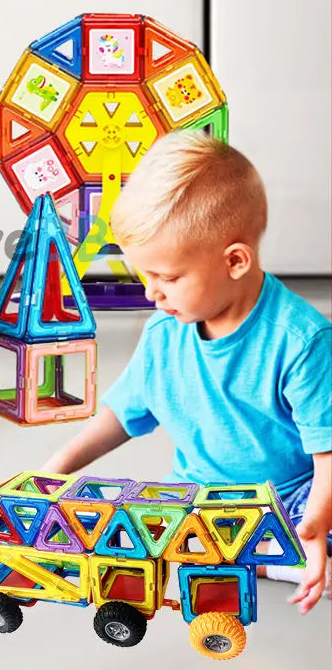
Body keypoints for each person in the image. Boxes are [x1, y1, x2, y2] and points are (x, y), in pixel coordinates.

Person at [43, 130, 331, 613]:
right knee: (132, 530)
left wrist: (316, 524)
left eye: (169, 277)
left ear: (235, 261)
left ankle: (269, 554)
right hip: (198, 500)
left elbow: (327, 454)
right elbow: (120, 416)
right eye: (144, 275)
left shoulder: (302, 340)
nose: (151, 292)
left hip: (293, 498)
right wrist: (52, 471)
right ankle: (257, 556)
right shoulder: (164, 332)